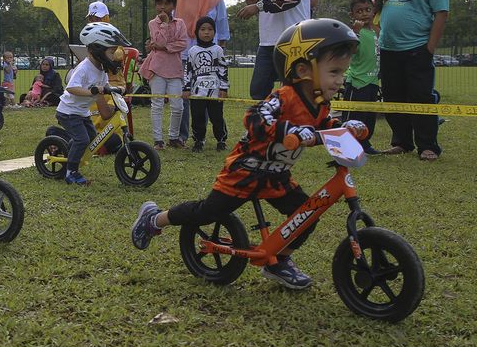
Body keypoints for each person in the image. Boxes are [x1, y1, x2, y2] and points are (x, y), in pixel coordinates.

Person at [131, 18, 367, 289]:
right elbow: (255, 117)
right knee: (208, 212)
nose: (341, 80)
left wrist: (343, 127)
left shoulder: (320, 104)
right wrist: (288, 129)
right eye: (335, 72)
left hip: (276, 176)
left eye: (342, 73)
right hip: (245, 171)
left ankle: (278, 261)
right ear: (302, 69)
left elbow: (324, 125)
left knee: (307, 217)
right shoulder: (284, 96)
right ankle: (154, 219)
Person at [372, 0, 448, 161]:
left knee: (421, 97)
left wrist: (430, 48)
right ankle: (401, 142)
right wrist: (378, 0)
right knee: (393, 96)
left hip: (417, 48)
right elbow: (374, 7)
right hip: (388, 48)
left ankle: (428, 146)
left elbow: (441, 14)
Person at [56, 22, 131, 185]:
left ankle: (68, 152)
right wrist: (92, 91)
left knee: (90, 137)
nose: (113, 56)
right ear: (99, 49)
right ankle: (71, 172)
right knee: (82, 140)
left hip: (82, 112)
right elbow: (72, 88)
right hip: (68, 112)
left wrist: (116, 90)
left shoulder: (101, 69)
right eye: (111, 51)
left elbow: (104, 86)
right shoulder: (84, 68)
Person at [175, 0, 230, 145]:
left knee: (208, 97)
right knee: (185, 97)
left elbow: (222, 26)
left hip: (210, 58)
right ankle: (182, 136)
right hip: (184, 54)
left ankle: (203, 137)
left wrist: (220, 52)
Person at [142, 0, 188, 150]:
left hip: (175, 70)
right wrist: (165, 26)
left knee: (178, 106)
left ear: (173, 5)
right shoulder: (153, 24)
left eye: (166, 4)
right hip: (157, 69)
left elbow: (183, 44)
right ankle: (158, 140)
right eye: (159, 4)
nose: (162, 7)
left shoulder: (180, 23)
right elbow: (158, 40)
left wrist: (164, 46)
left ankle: (174, 137)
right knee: (157, 104)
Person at [342, 0, 381, 155]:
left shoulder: (376, 32)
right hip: (357, 82)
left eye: (367, 10)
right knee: (353, 117)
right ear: (352, 15)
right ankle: (347, 146)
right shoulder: (352, 32)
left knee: (369, 116)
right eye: (359, 11)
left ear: (373, 12)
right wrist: (356, 32)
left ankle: (365, 143)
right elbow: (351, 50)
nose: (364, 14)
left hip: (372, 82)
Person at [184, 17, 228, 153]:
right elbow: (188, 71)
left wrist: (223, 88)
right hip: (197, 92)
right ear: (197, 32)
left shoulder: (218, 50)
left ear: (214, 32)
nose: (206, 32)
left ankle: (221, 140)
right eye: (203, 29)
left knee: (216, 117)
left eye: (210, 29)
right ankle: (198, 140)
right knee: (197, 117)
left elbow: (223, 69)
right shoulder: (192, 51)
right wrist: (186, 88)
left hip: (214, 92)